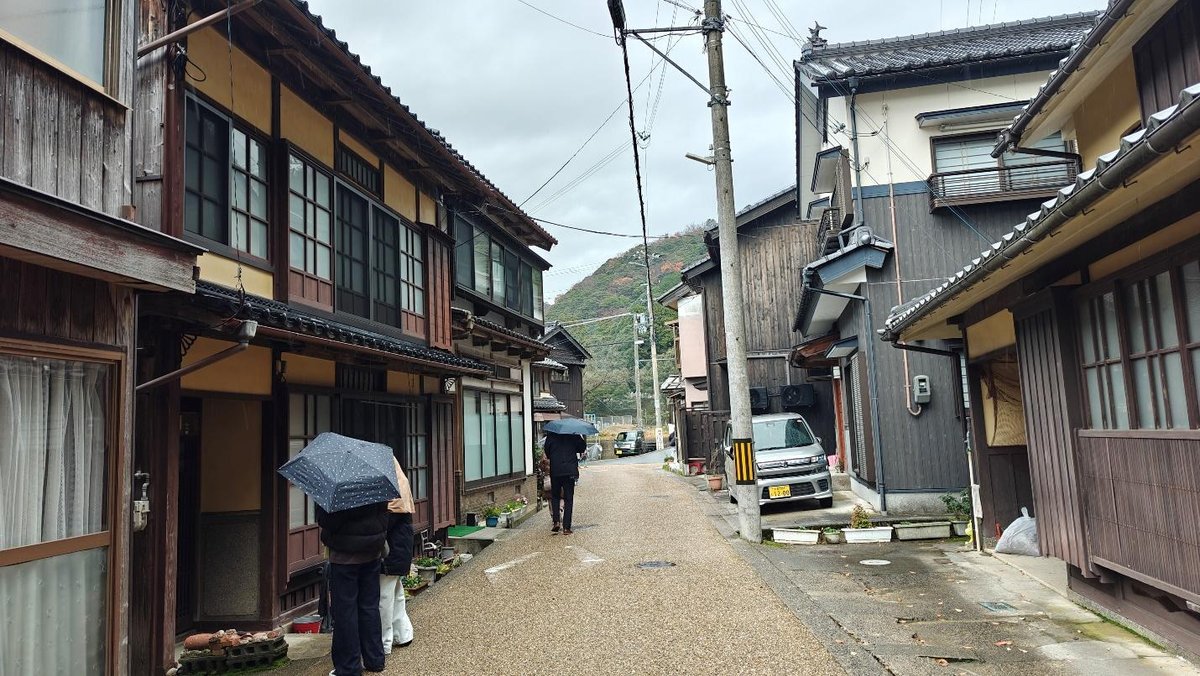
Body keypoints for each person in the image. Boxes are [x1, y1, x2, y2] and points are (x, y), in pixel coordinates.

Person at [316, 499, 390, 676]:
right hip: (372, 551)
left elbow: (327, 520)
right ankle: (375, 659)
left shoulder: (337, 487)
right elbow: (384, 512)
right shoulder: (374, 479)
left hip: (344, 555)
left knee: (345, 611)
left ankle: (349, 667)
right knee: (370, 606)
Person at [379, 459, 415, 654]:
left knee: (384, 596)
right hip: (400, 551)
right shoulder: (401, 491)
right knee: (396, 593)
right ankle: (403, 633)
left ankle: (385, 641)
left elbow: (382, 528)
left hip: (391, 554)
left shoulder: (393, 504)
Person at [543, 431, 586, 534]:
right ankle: (566, 527)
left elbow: (547, 452)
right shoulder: (573, 435)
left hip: (556, 470)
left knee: (555, 496)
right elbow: (582, 448)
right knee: (568, 498)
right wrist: (581, 437)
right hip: (569, 470)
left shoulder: (551, 435)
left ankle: (556, 522)